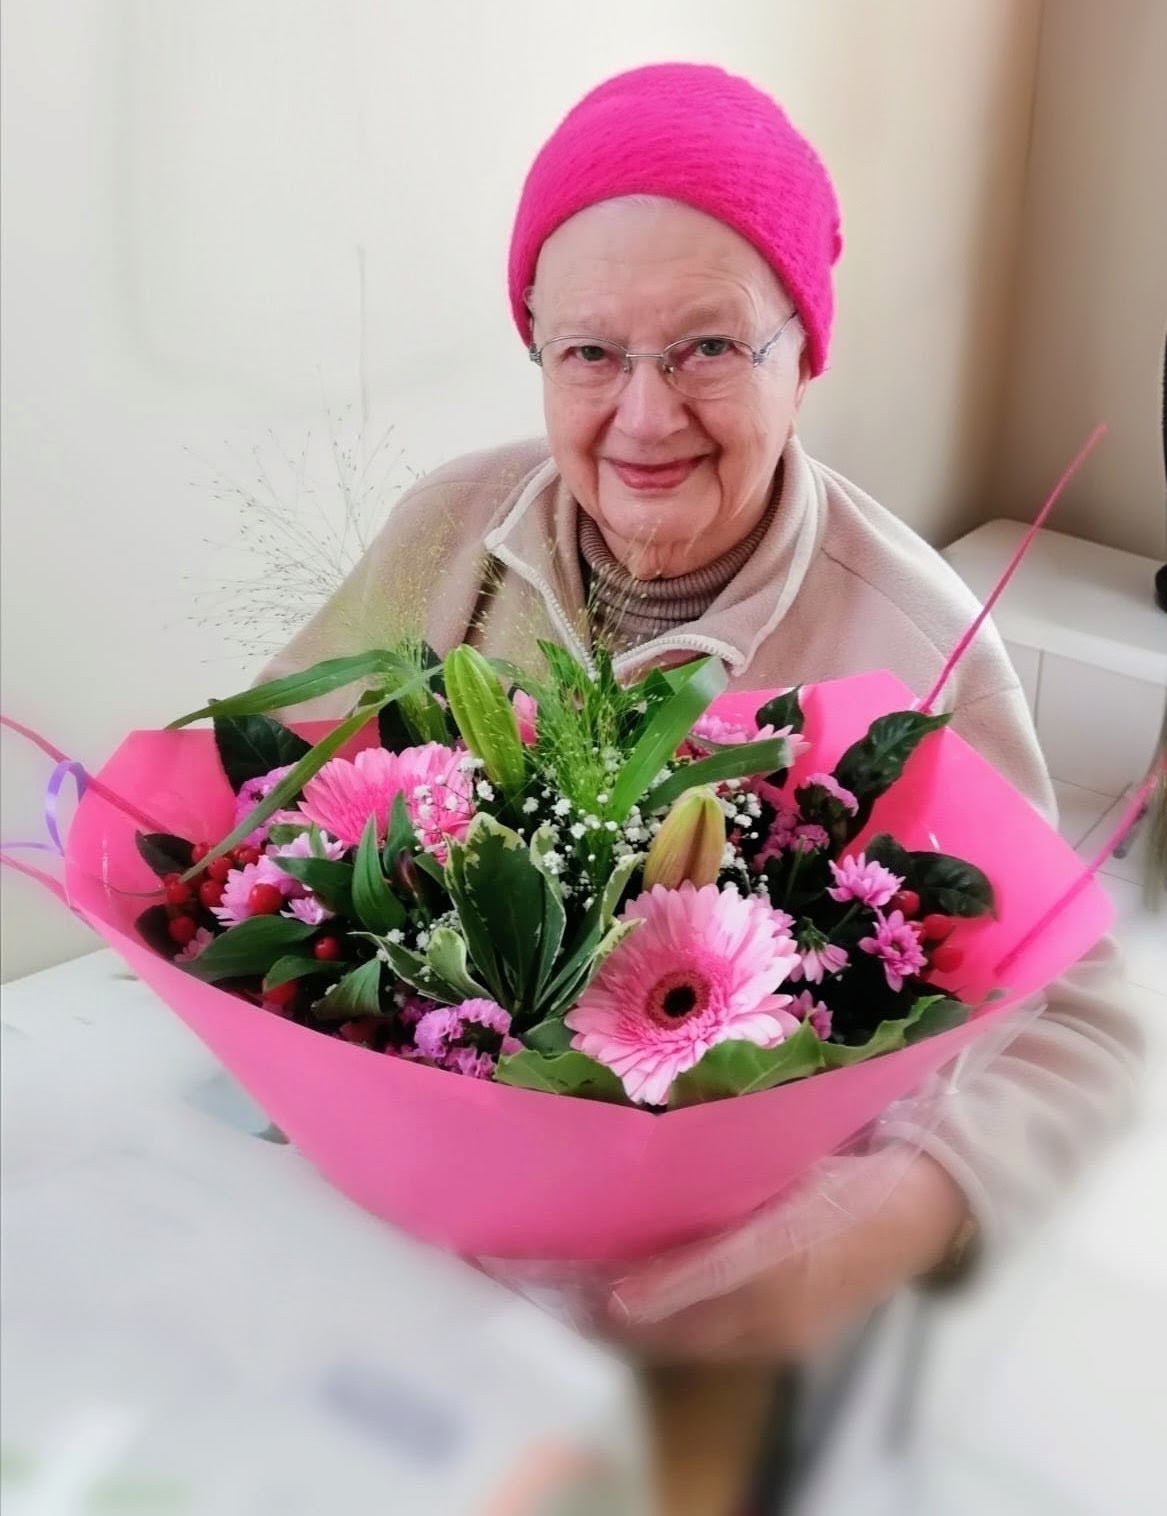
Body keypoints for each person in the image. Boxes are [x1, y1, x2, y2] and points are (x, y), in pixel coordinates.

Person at [261, 62, 1141, 1513]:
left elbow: (1082, 1017)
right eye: (588, 352)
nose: (644, 414)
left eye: (710, 347)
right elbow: (274, 797)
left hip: (724, 1293)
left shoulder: (915, 641)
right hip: (405, 1236)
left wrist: (899, 1211)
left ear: (805, 358)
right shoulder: (449, 534)